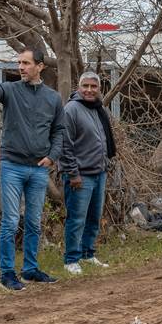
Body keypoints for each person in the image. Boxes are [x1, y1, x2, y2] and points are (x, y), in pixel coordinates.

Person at [0, 48, 65, 291]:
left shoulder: (53, 98)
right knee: (10, 222)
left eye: (26, 63)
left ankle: (30, 269)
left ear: (40, 66)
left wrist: (52, 157)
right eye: (19, 63)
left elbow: (60, 131)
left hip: (39, 169)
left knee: (34, 222)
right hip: (12, 166)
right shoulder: (10, 90)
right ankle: (7, 273)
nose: (21, 67)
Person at [60, 72, 116, 275]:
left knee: (94, 217)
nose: (90, 90)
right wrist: (73, 174)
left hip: (99, 172)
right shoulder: (71, 110)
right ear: (78, 87)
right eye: (86, 86)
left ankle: (88, 253)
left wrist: (106, 163)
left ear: (99, 89)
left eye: (94, 86)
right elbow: (65, 145)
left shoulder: (98, 109)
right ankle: (71, 259)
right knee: (76, 219)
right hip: (80, 176)